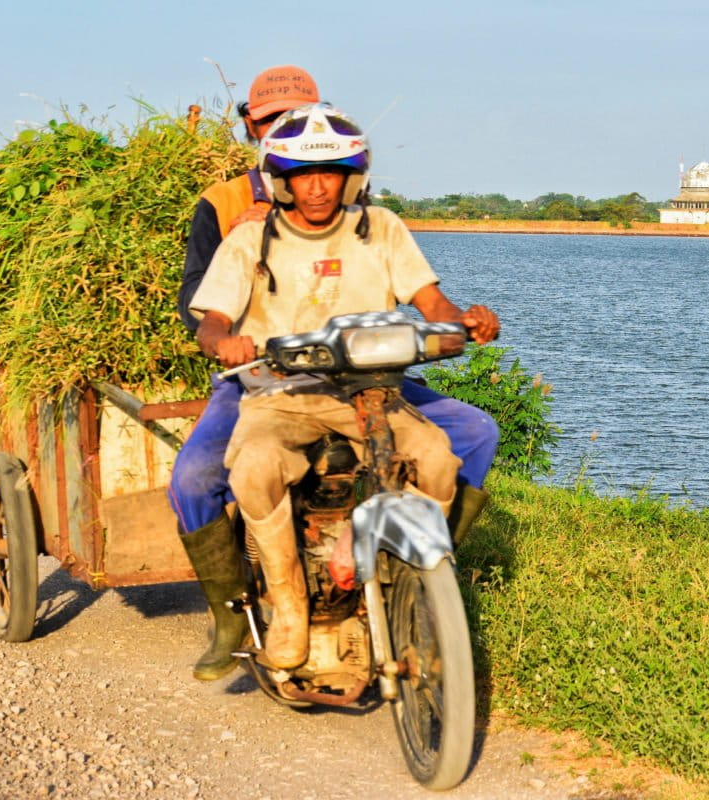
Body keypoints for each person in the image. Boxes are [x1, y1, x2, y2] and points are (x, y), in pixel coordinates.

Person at [170, 67, 497, 680]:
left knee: (444, 451)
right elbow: (207, 313)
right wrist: (225, 343)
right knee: (226, 470)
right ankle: (262, 607)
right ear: (260, 141)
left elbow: (430, 301)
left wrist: (463, 324)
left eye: (330, 171)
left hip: (372, 386)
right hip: (275, 386)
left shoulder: (379, 224)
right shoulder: (236, 221)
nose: (318, 187)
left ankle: (413, 578)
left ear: (351, 172)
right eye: (299, 167)